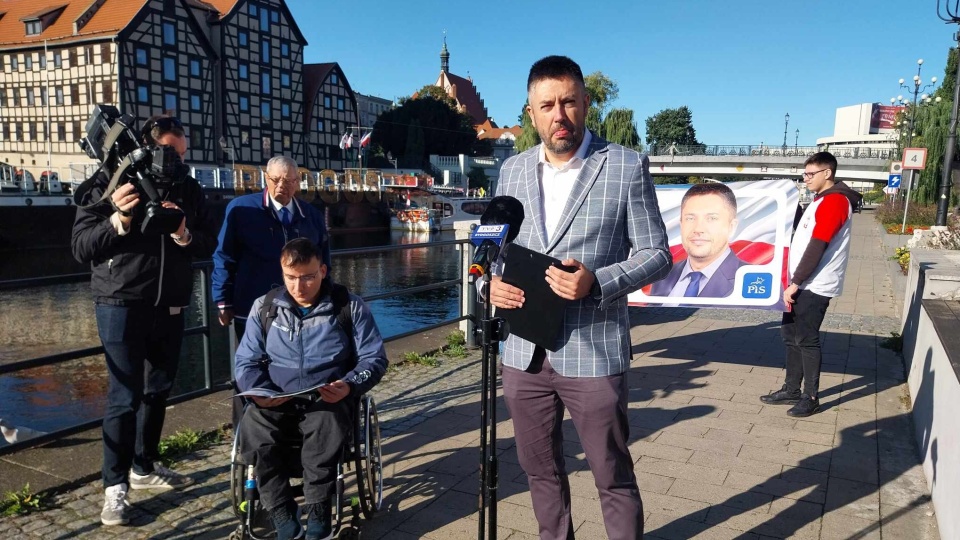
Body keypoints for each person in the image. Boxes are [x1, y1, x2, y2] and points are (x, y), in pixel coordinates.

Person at [489, 55, 671, 540]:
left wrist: (598, 280)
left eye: (569, 102)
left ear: (585, 104)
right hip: (523, 355)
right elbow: (500, 252)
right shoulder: (512, 171)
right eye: (546, 105)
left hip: (593, 350)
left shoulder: (626, 165)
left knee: (611, 475)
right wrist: (493, 283)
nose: (559, 115)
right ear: (531, 114)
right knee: (539, 472)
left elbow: (658, 254)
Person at [71, 114, 217, 526]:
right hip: (120, 302)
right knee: (123, 396)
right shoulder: (107, 182)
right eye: (170, 152)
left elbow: (208, 241)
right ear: (150, 147)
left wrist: (183, 232)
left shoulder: (188, 187)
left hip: (169, 303)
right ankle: (114, 488)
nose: (177, 162)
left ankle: (144, 467)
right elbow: (82, 248)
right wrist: (118, 219)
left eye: (183, 154)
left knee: (158, 390)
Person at [234, 238, 388, 540]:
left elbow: (374, 358)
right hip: (276, 397)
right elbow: (246, 361)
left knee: (326, 424)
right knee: (253, 426)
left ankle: (318, 506)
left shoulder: (349, 307)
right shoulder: (264, 308)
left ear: (322, 271)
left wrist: (349, 385)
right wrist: (258, 391)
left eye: (307, 276)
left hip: (328, 396)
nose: (298, 286)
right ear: (282, 273)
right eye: (290, 277)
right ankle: (280, 508)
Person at [760, 152, 862, 417]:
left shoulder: (836, 201)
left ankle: (811, 397)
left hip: (814, 284)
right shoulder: (820, 201)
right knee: (790, 336)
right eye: (804, 174)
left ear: (827, 173)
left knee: (806, 339)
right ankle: (792, 389)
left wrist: (796, 282)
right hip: (802, 282)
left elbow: (818, 245)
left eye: (810, 174)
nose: (805, 179)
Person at [212, 155, 331, 341]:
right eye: (276, 180)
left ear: (297, 181)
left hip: (302, 308)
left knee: (297, 363)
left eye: (289, 180)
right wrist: (223, 301)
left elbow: (324, 259)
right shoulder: (241, 210)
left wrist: (326, 296)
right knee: (253, 363)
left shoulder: (311, 216)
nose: (282, 185)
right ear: (266, 178)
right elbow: (224, 256)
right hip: (252, 306)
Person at [649, 182, 747, 298]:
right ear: (681, 224)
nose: (698, 229)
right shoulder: (662, 275)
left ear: (731, 226)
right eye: (690, 218)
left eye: (711, 218)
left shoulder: (751, 280)